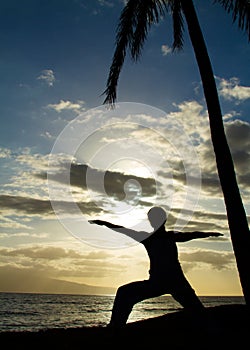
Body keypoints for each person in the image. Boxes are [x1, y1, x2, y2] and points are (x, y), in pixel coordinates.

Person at [89, 206, 223, 328]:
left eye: (156, 219)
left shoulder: (169, 236)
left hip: (175, 282)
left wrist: (208, 234)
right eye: (152, 219)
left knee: (198, 312)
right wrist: (105, 223)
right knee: (124, 292)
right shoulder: (149, 237)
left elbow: (190, 235)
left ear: (163, 221)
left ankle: (213, 330)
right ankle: (116, 326)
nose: (154, 222)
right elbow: (124, 230)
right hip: (158, 282)